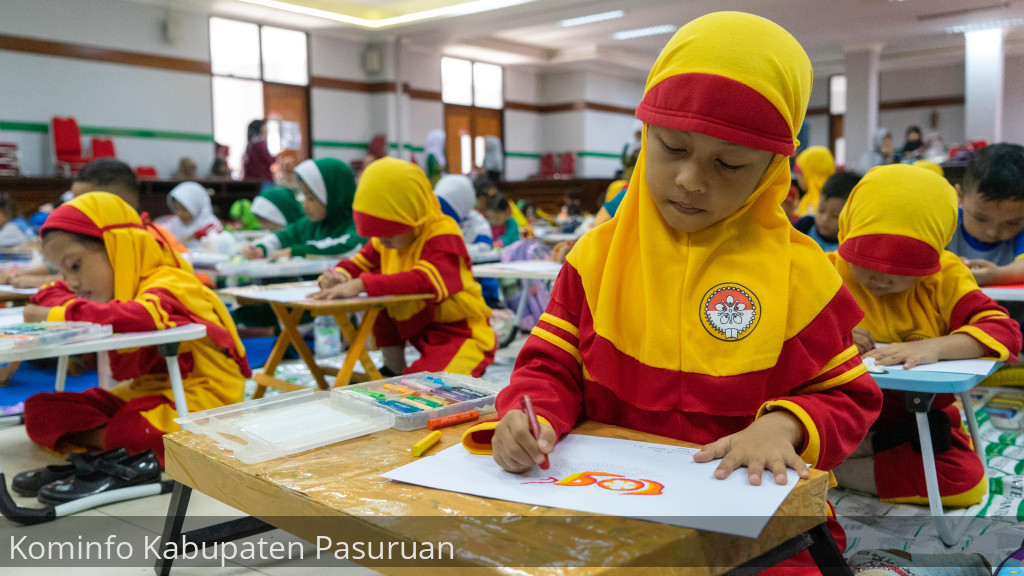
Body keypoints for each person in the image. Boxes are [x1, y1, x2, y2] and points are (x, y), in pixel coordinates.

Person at [462, 13, 882, 573]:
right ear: (644, 136)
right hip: (610, 504)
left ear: (770, 171)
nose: (689, 179)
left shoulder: (802, 277)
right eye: (671, 147)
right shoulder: (596, 259)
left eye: (729, 164)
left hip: (746, 516)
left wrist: (782, 426)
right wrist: (529, 417)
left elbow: (847, 397)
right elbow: (549, 367)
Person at [827, 164, 1020, 506]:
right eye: (865, 263)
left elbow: (1003, 331)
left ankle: (837, 470)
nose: (881, 280)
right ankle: (855, 454)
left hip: (918, 417)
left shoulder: (945, 276)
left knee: (966, 483)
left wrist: (937, 347)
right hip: (838, 413)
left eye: (904, 271)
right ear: (846, 233)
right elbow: (778, 335)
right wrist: (830, 333)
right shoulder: (826, 270)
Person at [21, 192, 250, 465]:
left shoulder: (172, 281)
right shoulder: (117, 287)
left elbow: (139, 317)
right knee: (39, 409)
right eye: (62, 271)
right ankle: (119, 442)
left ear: (117, 245)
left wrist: (62, 312)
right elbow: (47, 293)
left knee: (141, 429)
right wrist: (62, 306)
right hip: (145, 393)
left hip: (203, 399)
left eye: (75, 266)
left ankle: (117, 440)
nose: (71, 283)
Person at [312, 158, 495, 377]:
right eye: (377, 236)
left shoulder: (443, 233)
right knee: (380, 294)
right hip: (423, 332)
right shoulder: (388, 237)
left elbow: (423, 281)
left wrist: (361, 284)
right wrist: (338, 276)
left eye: (388, 234)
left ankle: (404, 371)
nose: (383, 242)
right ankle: (392, 366)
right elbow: (360, 262)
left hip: (461, 334)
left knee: (428, 387)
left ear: (412, 215)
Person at [242, 158, 363, 259]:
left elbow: (350, 245)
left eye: (311, 198)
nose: (304, 205)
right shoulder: (311, 224)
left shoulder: (357, 224)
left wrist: (295, 251)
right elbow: (285, 236)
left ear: (335, 197)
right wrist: (261, 249)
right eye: (303, 196)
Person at [947, 144, 1024, 286]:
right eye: (981, 218)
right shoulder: (946, 222)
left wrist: (998, 275)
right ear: (960, 196)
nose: (992, 232)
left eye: (1012, 223)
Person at [435, 174, 501, 306]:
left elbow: (485, 252)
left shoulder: (478, 224)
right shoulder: (435, 220)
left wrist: (453, 249)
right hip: (445, 291)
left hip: (481, 292)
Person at [793, 171, 860, 252]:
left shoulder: (850, 244)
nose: (825, 219)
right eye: (821, 210)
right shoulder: (805, 225)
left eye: (835, 216)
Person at [163, 182, 223, 248]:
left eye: (185, 209)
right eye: (176, 208)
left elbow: (216, 237)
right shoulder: (174, 223)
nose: (180, 213)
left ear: (197, 207)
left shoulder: (211, 223)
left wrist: (193, 236)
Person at [793, 146, 835, 217]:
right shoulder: (807, 199)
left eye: (800, 174)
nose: (798, 179)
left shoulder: (816, 204)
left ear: (809, 175)